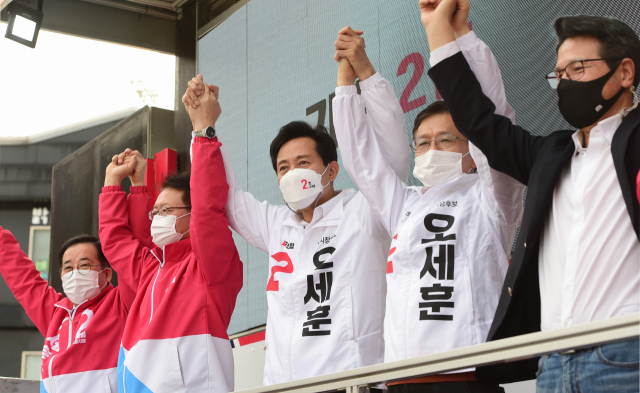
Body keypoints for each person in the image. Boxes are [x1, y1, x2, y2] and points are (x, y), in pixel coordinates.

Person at [424, 0, 640, 389]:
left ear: (625, 72)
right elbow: (479, 120)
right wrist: (438, 27)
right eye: (559, 74)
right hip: (553, 365)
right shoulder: (551, 154)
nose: (567, 81)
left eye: (579, 68)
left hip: (627, 354)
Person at [181, 51, 410, 384]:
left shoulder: (365, 211)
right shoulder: (276, 225)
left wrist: (363, 78)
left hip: (353, 385)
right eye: (283, 168)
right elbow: (226, 196)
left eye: (303, 163)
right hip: (286, 387)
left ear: (331, 170)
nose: (291, 174)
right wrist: (204, 130)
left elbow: (390, 160)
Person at [333, 4, 524, 391]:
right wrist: (348, 77)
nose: (432, 147)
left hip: (468, 376)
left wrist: (460, 35)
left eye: (446, 139)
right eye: (422, 142)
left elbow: (494, 117)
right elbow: (360, 159)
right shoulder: (404, 203)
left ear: (472, 147)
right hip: (406, 379)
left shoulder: (492, 196)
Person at [98, 82, 243, 393]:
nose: (157, 219)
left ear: (192, 216)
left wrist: (203, 129)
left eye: (165, 210)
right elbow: (115, 240)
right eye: (155, 212)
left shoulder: (209, 268)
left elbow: (208, 206)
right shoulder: (149, 269)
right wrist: (116, 183)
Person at [0, 232, 140, 393]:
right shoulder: (55, 315)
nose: (75, 273)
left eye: (84, 265)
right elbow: (20, 275)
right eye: (68, 268)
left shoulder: (122, 303)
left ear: (107, 273)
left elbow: (126, 246)